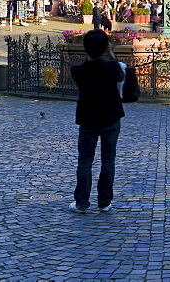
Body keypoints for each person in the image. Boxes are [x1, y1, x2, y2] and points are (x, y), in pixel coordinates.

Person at [69, 30, 125, 213]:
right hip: (110, 117)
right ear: (104, 48)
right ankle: (104, 201)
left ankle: (82, 203)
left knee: (85, 160)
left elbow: (88, 66)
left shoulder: (78, 71)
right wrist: (110, 53)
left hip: (88, 119)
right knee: (108, 160)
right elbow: (120, 75)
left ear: (85, 49)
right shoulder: (111, 68)